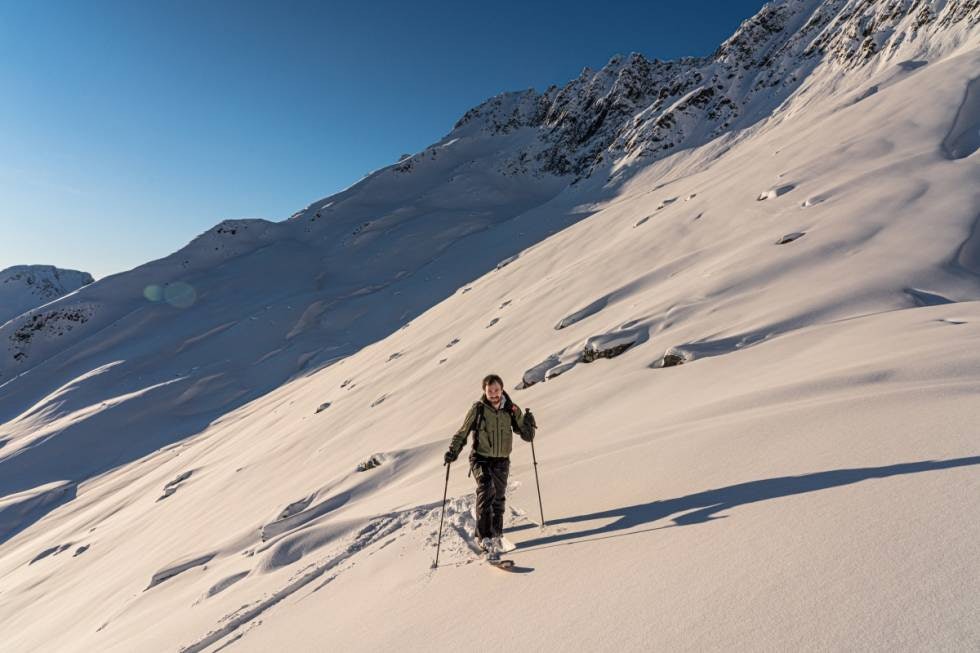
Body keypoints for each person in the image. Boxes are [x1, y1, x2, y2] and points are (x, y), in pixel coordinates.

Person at [444, 373, 536, 556]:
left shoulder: (511, 409)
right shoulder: (478, 409)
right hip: (481, 457)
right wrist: (452, 451)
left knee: (499, 497)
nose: (493, 394)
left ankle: (496, 533)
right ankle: (484, 536)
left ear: (502, 390)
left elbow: (526, 435)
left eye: (496, 390)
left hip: (502, 459)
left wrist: (529, 424)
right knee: (486, 489)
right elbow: (463, 432)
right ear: (484, 391)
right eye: (490, 391)